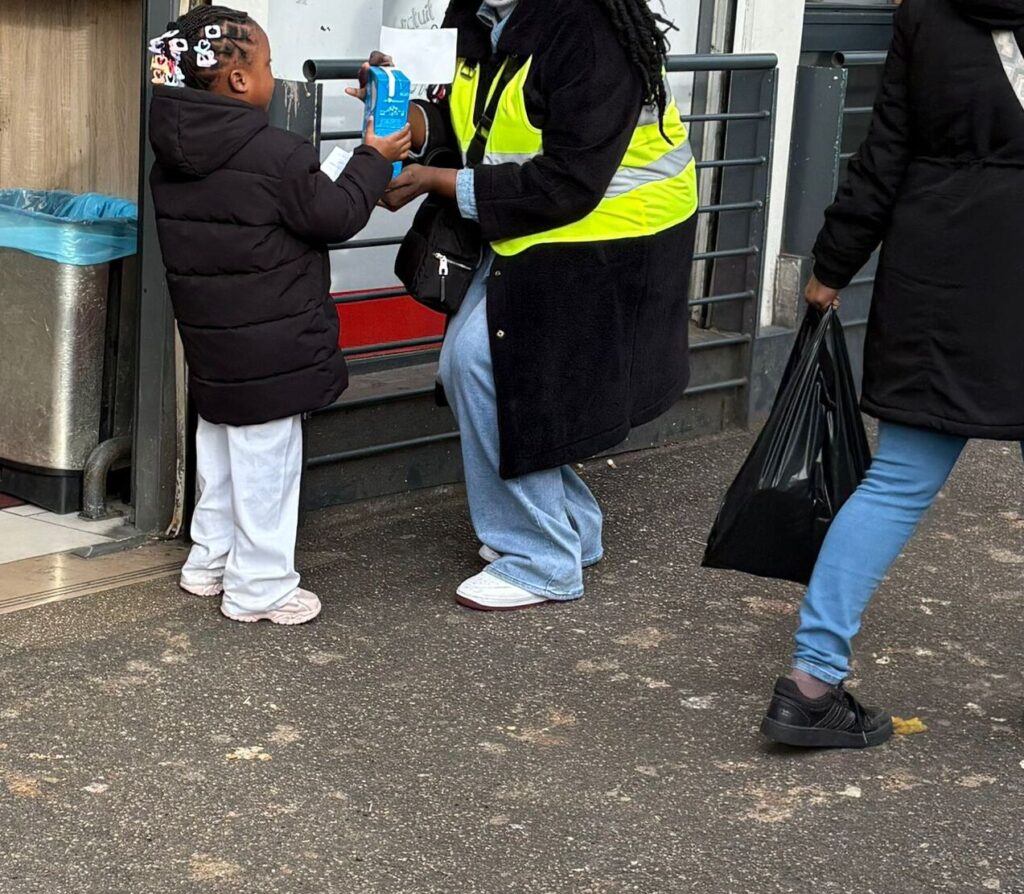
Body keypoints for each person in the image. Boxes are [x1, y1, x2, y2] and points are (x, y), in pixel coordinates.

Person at [365, 0, 699, 612]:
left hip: (611, 233)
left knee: (487, 368)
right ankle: (571, 526)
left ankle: (542, 561)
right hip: (527, 223)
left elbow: (571, 180)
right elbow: (472, 115)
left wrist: (441, 183)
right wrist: (410, 121)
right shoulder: (477, 11)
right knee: (468, 370)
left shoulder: (591, 27)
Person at [762, 0, 1024, 747]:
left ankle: (809, 686)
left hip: (942, 276)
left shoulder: (929, 17)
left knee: (897, 483)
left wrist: (831, 266)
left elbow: (884, 154)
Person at [148, 6, 411, 625]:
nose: (272, 74)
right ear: (239, 79)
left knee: (220, 448)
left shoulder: (171, 158)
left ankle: (209, 561)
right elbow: (333, 215)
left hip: (213, 338)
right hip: (274, 341)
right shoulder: (276, 153)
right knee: (268, 462)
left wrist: (350, 163)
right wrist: (373, 156)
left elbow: (285, 203)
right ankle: (259, 586)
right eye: (267, 64)